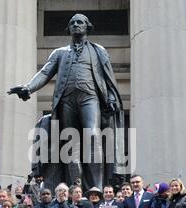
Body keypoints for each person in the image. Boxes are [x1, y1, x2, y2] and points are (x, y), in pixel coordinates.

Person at [9, 13, 125, 190]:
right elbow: (45, 73)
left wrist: (111, 97)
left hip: (90, 97)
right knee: (71, 142)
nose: (76, 25)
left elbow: (109, 79)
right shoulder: (59, 53)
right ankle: (75, 187)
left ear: (87, 27)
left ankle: (97, 188)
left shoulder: (98, 51)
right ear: (68, 29)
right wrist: (28, 88)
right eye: (73, 23)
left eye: (80, 22)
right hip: (66, 101)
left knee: (93, 135)